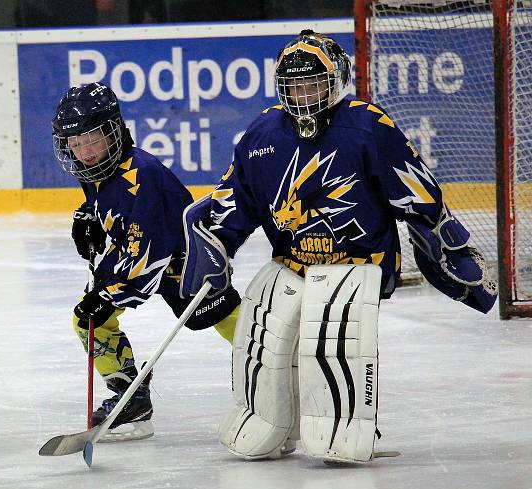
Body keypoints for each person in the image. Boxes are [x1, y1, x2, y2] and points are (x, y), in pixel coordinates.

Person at [180, 30, 497, 463]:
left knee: (334, 345)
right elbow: (236, 199)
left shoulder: (367, 126)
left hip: (356, 263)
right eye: (294, 86)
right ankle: (263, 418)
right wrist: (214, 241)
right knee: (257, 338)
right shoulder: (262, 134)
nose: (304, 95)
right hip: (289, 262)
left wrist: (443, 240)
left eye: (313, 83)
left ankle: (344, 425)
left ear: (336, 80)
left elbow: (417, 193)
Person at [52, 82, 241, 440]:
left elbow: (148, 257)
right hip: (138, 251)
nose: (84, 151)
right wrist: (90, 218)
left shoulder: (143, 176)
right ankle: (132, 401)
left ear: (112, 132)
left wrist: (107, 295)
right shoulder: (97, 169)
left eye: (90, 139)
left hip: (186, 263)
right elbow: (118, 216)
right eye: (74, 144)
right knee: (88, 321)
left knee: (238, 327)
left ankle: (286, 371)